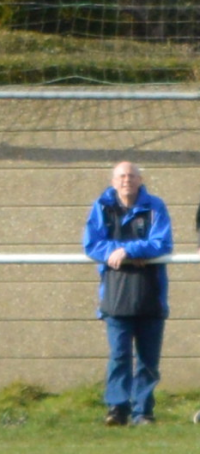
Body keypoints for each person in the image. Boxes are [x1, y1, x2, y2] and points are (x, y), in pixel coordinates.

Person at [84, 159, 172, 427]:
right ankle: (116, 409)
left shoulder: (155, 207)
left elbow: (162, 243)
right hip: (115, 293)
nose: (127, 180)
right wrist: (119, 252)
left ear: (140, 180)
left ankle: (143, 412)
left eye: (132, 176)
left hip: (150, 294)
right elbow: (92, 244)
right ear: (113, 181)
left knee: (147, 359)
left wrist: (129, 251)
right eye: (121, 176)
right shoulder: (102, 207)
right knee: (119, 355)